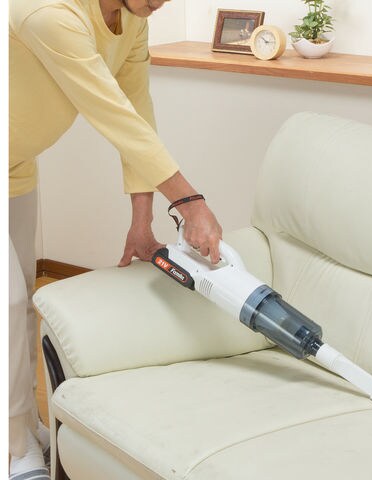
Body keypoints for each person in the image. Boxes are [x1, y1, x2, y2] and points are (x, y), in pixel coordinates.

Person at [9, 0, 222, 478]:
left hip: (15, 165)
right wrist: (191, 203)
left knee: (22, 303)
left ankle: (20, 424)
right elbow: (112, 115)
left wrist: (141, 223)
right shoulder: (49, 13)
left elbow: (137, 116)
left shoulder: (132, 20)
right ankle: (12, 448)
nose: (159, 3)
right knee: (7, 301)